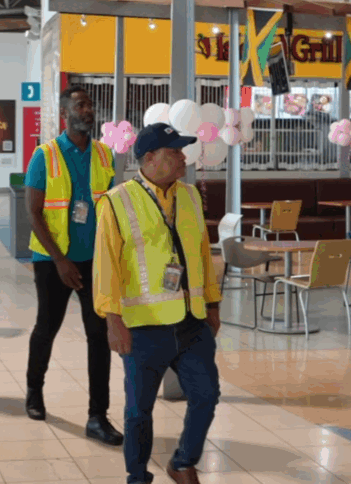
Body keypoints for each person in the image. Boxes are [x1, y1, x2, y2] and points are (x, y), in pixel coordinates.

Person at [94, 123, 222, 484]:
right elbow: (105, 264)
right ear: (149, 158)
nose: (184, 158)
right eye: (174, 152)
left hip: (191, 322)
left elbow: (201, 252)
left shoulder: (191, 195)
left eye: (183, 151)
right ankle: (137, 476)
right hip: (143, 326)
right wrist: (112, 319)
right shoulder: (116, 201)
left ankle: (183, 462)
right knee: (138, 412)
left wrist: (212, 304)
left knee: (206, 395)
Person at [23, 85, 121, 445]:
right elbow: (33, 213)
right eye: (81, 105)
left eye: (91, 105)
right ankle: (34, 391)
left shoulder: (104, 155)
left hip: (95, 260)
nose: (89, 110)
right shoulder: (44, 156)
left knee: (99, 335)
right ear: (65, 113)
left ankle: (98, 415)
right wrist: (61, 260)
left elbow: (110, 209)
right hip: (53, 261)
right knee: (46, 327)